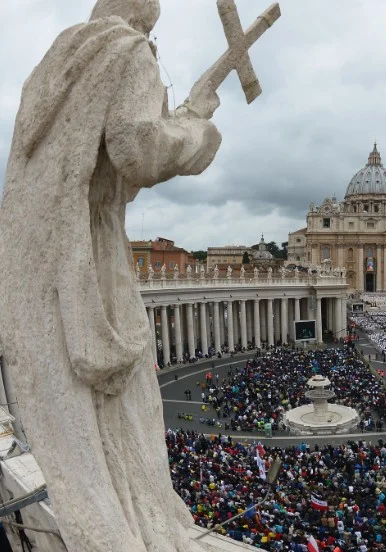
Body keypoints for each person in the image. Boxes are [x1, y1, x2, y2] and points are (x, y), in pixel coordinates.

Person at [0, 1, 222, 550]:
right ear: (144, 15)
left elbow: (104, 168)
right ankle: (135, 524)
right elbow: (136, 150)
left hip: (51, 251)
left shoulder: (56, 65)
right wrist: (197, 127)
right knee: (130, 407)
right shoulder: (129, 49)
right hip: (95, 253)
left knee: (90, 417)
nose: (156, 35)